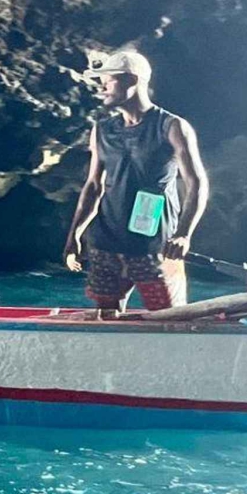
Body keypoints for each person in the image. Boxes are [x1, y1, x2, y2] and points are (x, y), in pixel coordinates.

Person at [62, 49, 209, 314]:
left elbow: (197, 183)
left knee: (170, 317)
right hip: (106, 245)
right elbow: (93, 186)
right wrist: (74, 235)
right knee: (107, 316)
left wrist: (183, 234)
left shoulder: (172, 126)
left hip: (154, 246)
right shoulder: (102, 130)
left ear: (131, 80)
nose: (102, 87)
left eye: (108, 81)